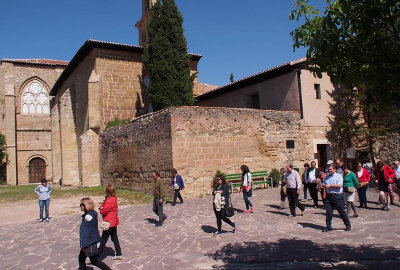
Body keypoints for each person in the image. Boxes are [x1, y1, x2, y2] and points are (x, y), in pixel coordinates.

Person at [79, 198, 111, 270]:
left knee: (93, 260)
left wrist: (84, 245)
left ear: (86, 205)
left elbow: (86, 232)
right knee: (85, 258)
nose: (80, 206)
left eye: (81, 204)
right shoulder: (92, 213)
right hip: (91, 240)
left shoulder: (88, 217)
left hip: (89, 241)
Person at [322, 165, 351, 232]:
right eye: (328, 169)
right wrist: (322, 185)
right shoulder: (327, 176)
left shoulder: (338, 176)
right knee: (328, 212)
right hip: (329, 196)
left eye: (330, 169)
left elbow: (339, 185)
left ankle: (348, 225)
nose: (329, 171)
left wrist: (330, 186)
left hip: (337, 196)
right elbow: (324, 184)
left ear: (334, 170)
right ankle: (328, 226)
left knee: (341, 211)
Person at [98, 183, 122, 260]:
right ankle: (118, 253)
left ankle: (97, 256)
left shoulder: (109, 201)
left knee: (103, 239)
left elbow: (103, 211)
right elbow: (104, 205)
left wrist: (101, 208)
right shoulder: (113, 198)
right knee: (114, 238)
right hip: (113, 222)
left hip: (109, 223)